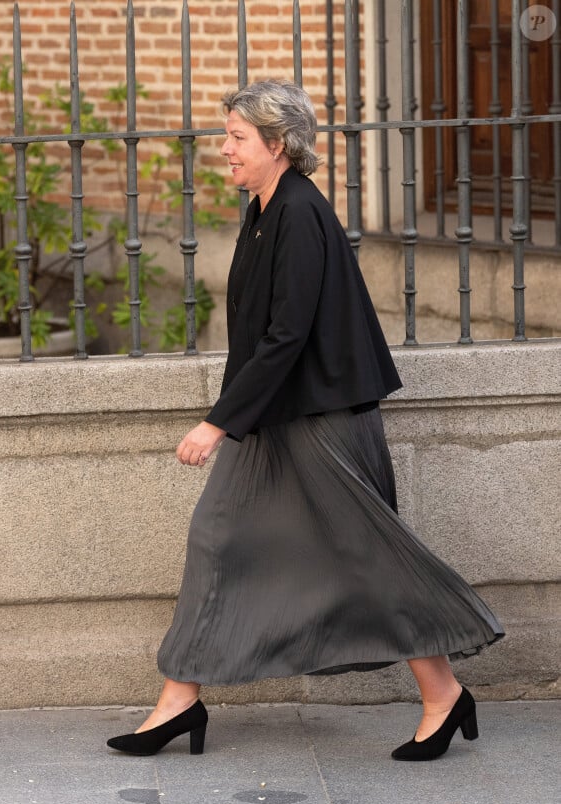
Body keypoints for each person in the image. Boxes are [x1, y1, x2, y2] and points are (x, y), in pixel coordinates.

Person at [107, 80, 504, 762]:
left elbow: (286, 336)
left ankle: (443, 693)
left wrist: (218, 423)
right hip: (274, 417)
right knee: (217, 536)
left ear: (278, 143)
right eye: (225, 134)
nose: (223, 148)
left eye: (236, 137)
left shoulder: (299, 213)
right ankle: (179, 701)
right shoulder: (265, 210)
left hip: (320, 419)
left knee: (367, 558)